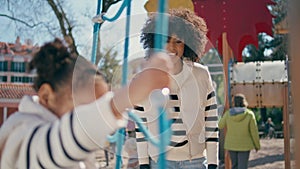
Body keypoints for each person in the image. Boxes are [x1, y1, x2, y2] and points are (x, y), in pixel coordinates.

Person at [0, 38, 172, 168]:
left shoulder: (79, 149)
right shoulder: (21, 131)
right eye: (86, 109)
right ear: (46, 96)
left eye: (99, 105)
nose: (94, 117)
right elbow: (53, 146)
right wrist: (123, 99)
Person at [134, 8, 219, 169]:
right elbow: (141, 126)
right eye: (166, 40)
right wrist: (144, 162)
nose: (171, 47)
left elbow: (211, 121)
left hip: (194, 161)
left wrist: (213, 162)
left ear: (188, 43)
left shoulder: (201, 74)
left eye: (178, 41)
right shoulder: (144, 78)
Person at [219, 93, 260, 169]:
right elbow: (254, 132)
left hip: (231, 145)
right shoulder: (249, 114)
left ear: (234, 103)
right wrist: (257, 145)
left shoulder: (228, 114)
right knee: (242, 167)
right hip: (245, 145)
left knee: (234, 166)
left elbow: (220, 125)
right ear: (244, 102)